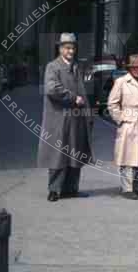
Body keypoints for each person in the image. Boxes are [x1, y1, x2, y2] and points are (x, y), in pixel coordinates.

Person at [37, 33, 93, 202]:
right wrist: (72, 97)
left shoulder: (77, 66)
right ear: (60, 49)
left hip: (76, 117)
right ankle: (54, 190)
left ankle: (71, 189)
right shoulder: (53, 67)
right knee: (57, 154)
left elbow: (85, 90)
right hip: (58, 118)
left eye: (73, 48)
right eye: (67, 47)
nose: (71, 51)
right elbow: (52, 89)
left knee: (75, 153)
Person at [107, 54, 138, 200]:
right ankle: (127, 188)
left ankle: (135, 185)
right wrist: (121, 119)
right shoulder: (121, 82)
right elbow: (112, 103)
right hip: (128, 121)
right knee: (128, 157)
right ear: (132, 69)